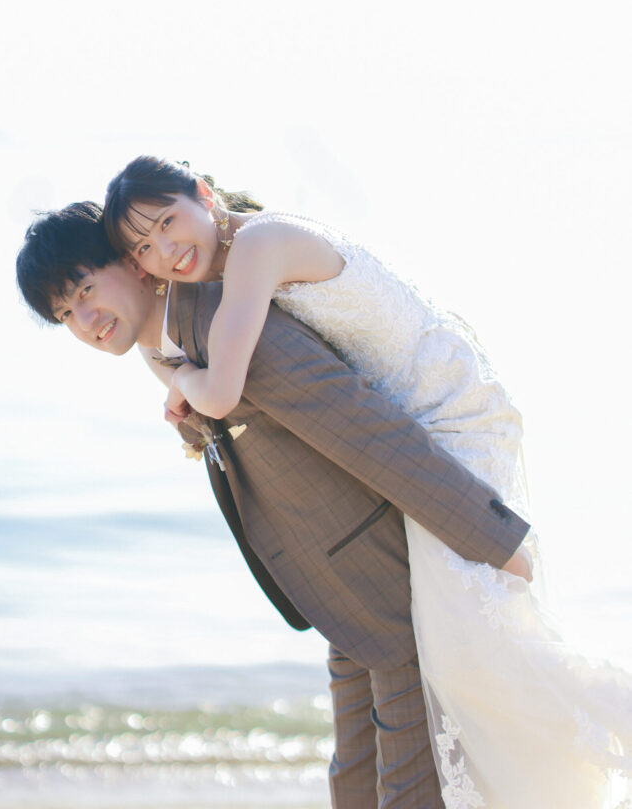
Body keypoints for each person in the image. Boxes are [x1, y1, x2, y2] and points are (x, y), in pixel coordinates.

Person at [101, 155, 632, 808]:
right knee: (467, 657)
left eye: (166, 223)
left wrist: (179, 378)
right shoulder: (227, 266)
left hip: (450, 411)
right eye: (143, 248)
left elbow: (220, 391)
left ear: (204, 195)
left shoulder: (256, 248)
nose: (164, 251)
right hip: (416, 419)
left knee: (481, 653)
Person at [16, 199, 532, 809]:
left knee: (407, 792)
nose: (84, 320)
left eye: (85, 290)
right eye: (65, 314)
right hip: (337, 594)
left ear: (133, 264)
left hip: (386, 587)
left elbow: (367, 430)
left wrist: (493, 538)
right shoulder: (174, 347)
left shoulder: (231, 328)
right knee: (354, 784)